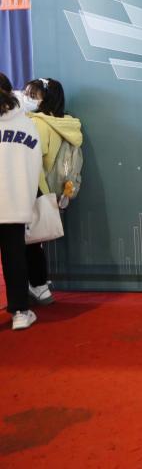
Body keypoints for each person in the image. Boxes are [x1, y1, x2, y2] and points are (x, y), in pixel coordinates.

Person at [22, 78, 83, 306]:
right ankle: (40, 285)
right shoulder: (64, 123)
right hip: (53, 192)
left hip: (35, 189)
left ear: (45, 99)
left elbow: (32, 161)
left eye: (32, 95)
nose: (26, 99)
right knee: (33, 242)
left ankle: (37, 286)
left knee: (26, 243)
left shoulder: (37, 124)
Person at [0, 72, 43, 331]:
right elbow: (34, 164)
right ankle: (19, 312)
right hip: (14, 202)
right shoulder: (26, 123)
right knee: (14, 256)